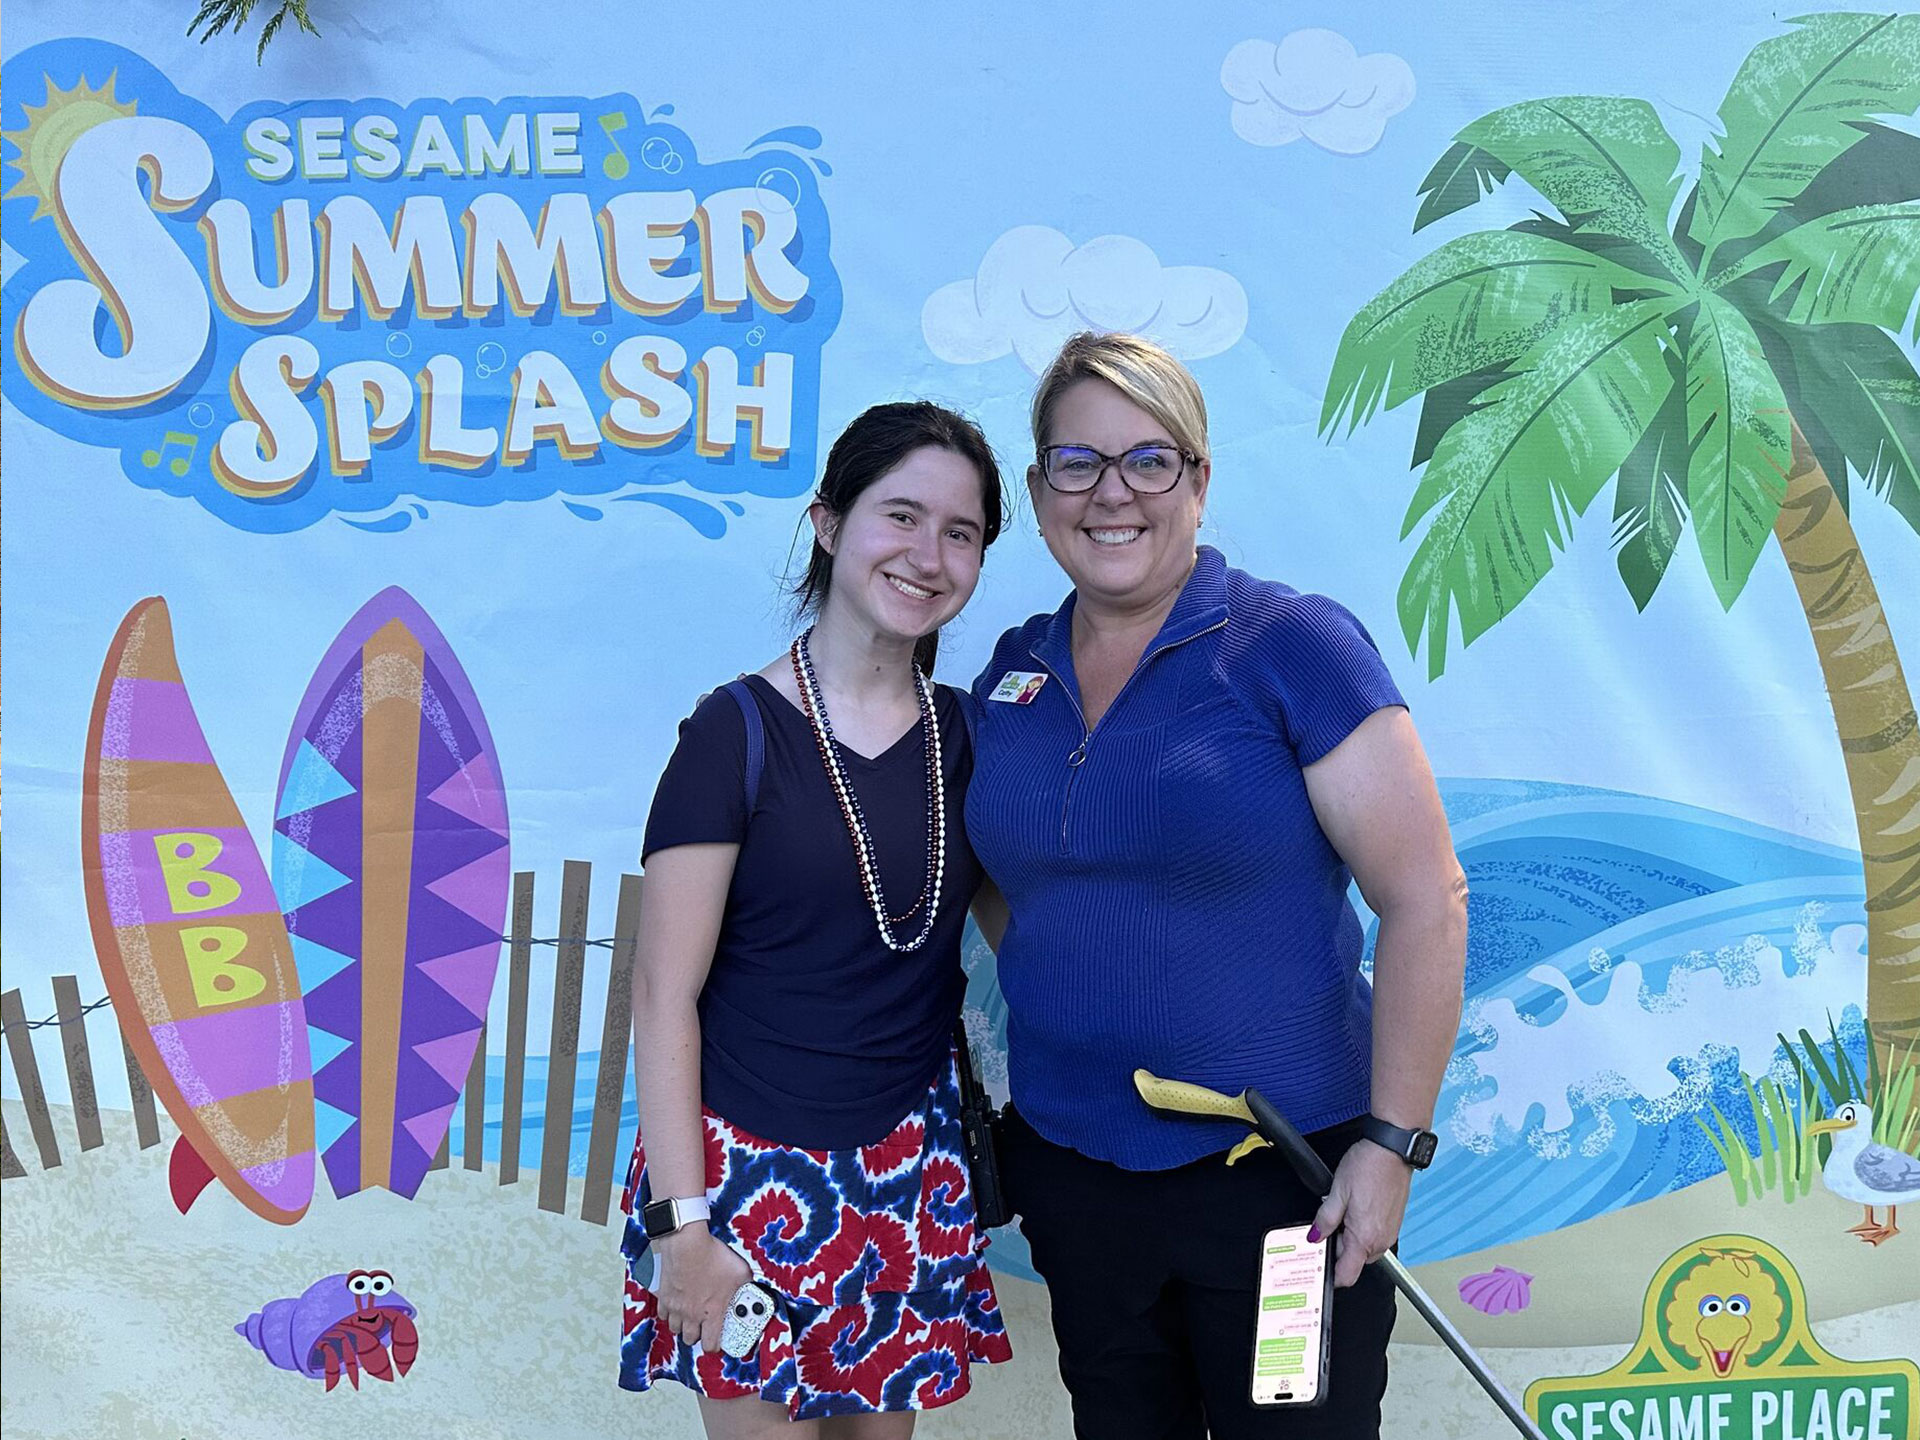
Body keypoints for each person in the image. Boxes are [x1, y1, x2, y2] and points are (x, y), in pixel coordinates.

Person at [966, 332, 1468, 1439]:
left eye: (1149, 460)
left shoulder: (1292, 647)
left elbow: (1429, 900)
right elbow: (1015, 893)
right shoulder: (1010, 675)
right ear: (1041, 488)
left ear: (1199, 480)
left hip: (1283, 1194)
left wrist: (1389, 1148)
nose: (1112, 493)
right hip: (1078, 1182)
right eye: (1076, 462)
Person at [620, 401, 1014, 1438]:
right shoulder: (732, 734)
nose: (928, 555)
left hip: (907, 1179)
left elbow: (1042, 944)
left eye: (961, 532)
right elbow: (663, 997)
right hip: (743, 1189)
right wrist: (684, 1230)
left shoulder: (973, 742)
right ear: (830, 524)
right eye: (901, 515)